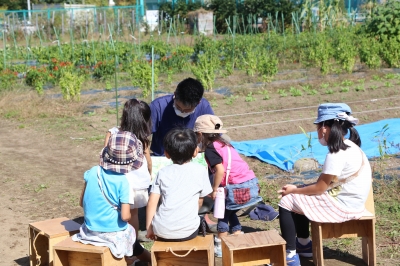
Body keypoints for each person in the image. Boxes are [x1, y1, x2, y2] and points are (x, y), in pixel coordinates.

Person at [277, 103, 372, 266]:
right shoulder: (352, 147)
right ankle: (304, 244)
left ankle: (290, 255)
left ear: (324, 129)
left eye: (318, 126)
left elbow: (320, 188)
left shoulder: (336, 154)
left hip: (343, 207)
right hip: (355, 203)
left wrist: (294, 190)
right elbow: (326, 183)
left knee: (286, 201)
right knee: (299, 194)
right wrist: (299, 189)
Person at [73, 131, 151, 264]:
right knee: (132, 237)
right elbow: (126, 217)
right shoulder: (123, 182)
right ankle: (146, 259)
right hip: (113, 234)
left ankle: (130, 258)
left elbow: (81, 202)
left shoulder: (92, 171)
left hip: (89, 230)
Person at [193, 114, 263, 257]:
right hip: (249, 184)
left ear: (199, 134)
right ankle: (238, 235)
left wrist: (214, 188)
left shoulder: (211, 149)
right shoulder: (224, 144)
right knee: (230, 211)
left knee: (222, 214)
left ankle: (221, 243)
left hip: (234, 187)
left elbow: (220, 170)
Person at [146, 128, 213, 241]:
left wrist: (149, 229)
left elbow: (152, 202)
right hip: (189, 231)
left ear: (166, 154)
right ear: (195, 152)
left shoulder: (162, 173)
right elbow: (200, 202)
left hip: (161, 230)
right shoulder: (201, 170)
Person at [104, 99, 152, 239]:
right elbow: (148, 160)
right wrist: (150, 173)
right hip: (136, 183)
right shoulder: (142, 138)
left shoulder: (112, 133)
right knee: (134, 214)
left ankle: (117, 238)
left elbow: (106, 153)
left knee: (116, 212)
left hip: (116, 180)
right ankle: (133, 242)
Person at [150, 77, 214, 156]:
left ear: (198, 103)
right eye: (178, 107)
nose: (182, 112)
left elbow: (213, 135)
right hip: (164, 157)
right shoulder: (158, 106)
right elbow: (142, 135)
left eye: (187, 110)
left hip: (192, 156)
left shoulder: (204, 107)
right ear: (175, 94)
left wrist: (199, 148)